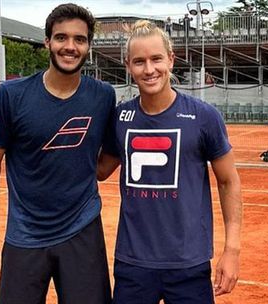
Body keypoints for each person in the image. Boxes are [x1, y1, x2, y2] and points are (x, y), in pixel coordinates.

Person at [0, 3, 114, 304]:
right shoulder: (11, 95)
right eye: (61, 38)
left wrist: (88, 170)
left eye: (79, 40)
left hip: (82, 231)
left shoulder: (102, 96)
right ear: (47, 42)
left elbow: (110, 156)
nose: (70, 47)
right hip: (24, 235)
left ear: (88, 46)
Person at [97, 20, 242, 303]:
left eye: (156, 59)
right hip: (133, 263)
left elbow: (229, 181)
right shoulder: (120, 118)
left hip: (189, 263)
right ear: (128, 65)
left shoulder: (204, 117)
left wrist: (232, 250)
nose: (149, 70)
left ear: (171, 60)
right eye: (139, 61)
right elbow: (101, 170)